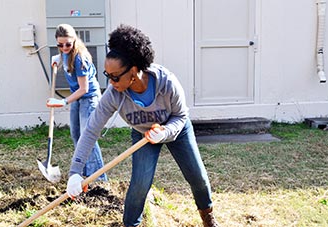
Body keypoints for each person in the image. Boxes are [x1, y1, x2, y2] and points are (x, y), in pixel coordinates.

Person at [66, 24, 219, 227]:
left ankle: (208, 217)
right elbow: (91, 130)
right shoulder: (114, 95)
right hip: (143, 135)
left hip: (175, 130)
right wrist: (75, 172)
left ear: (134, 71)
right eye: (107, 75)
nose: (111, 82)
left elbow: (181, 116)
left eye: (115, 76)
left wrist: (165, 132)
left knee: (197, 176)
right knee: (139, 184)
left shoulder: (167, 83)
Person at [46, 23, 107, 181]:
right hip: (77, 97)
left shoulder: (80, 58)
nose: (64, 47)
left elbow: (84, 89)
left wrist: (62, 102)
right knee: (76, 135)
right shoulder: (64, 53)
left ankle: (100, 179)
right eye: (60, 44)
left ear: (74, 41)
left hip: (89, 98)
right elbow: (63, 55)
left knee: (87, 138)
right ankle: (86, 175)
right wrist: (58, 58)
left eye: (68, 44)